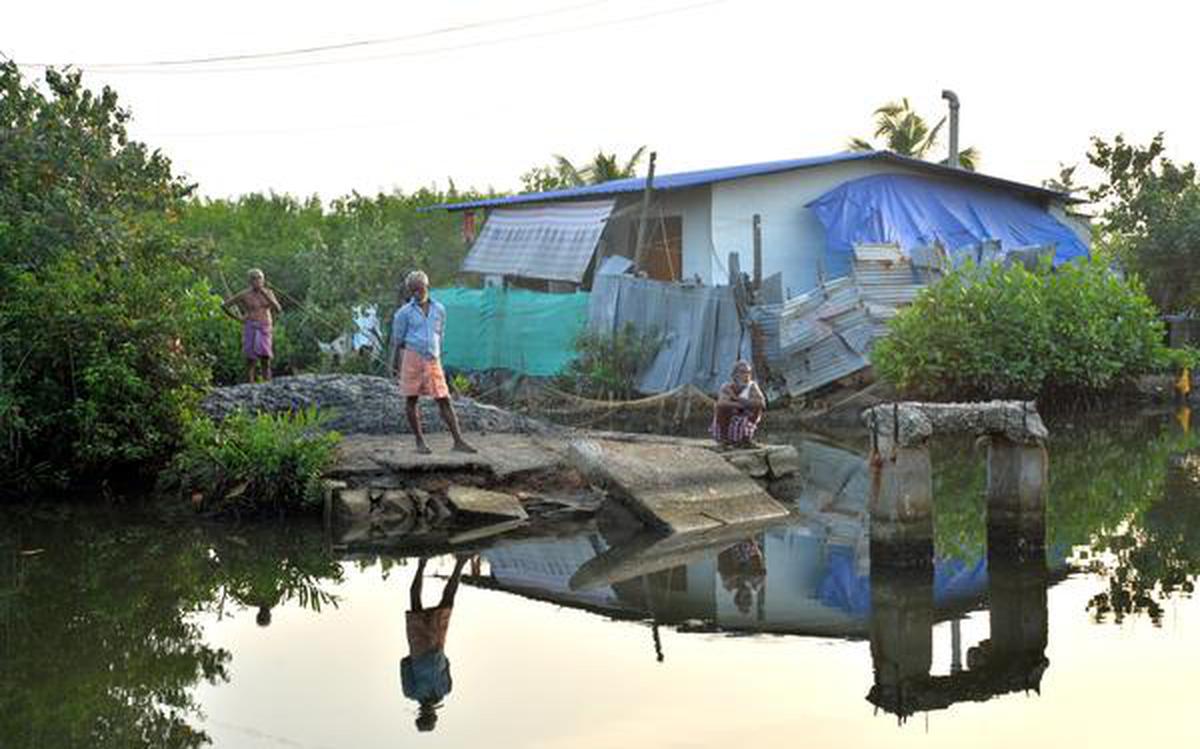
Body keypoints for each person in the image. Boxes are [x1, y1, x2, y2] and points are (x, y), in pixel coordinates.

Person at [390, 270, 476, 454]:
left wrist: (434, 352)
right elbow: (398, 340)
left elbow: (440, 334)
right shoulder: (403, 313)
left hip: (433, 358)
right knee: (412, 399)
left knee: (444, 398)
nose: (416, 293)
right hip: (413, 357)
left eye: (419, 289)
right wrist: (397, 366)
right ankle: (420, 442)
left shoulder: (439, 309)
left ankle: (458, 441)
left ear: (427, 287)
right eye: (412, 290)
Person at [401, 555, 471, 733]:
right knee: (447, 603)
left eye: (424, 715)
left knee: (415, 603)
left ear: (419, 714)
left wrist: (419, 656)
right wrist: (435, 654)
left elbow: (404, 664)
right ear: (434, 714)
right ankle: (461, 562)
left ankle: (422, 564)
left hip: (420, 648)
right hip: (437, 646)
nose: (427, 711)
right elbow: (447, 665)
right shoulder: (445, 689)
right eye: (429, 715)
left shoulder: (412, 692)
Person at [222, 268, 282, 383]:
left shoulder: (268, 293)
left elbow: (278, 309)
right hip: (251, 326)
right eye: (254, 278)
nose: (257, 281)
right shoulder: (244, 294)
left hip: (265, 327)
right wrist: (238, 319)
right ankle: (250, 384)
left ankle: (267, 382)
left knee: (266, 357)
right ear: (249, 281)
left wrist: (264, 293)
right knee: (250, 358)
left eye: (259, 278)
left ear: (263, 280)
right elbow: (225, 306)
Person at [711, 360, 766, 448]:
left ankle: (746, 439)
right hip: (730, 419)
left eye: (748, 372)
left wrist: (736, 399)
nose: (746, 375)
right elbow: (721, 404)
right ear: (735, 374)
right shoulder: (727, 387)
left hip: (745, 418)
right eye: (743, 372)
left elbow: (762, 403)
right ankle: (724, 440)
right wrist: (740, 405)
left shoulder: (752, 386)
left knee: (757, 408)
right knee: (721, 409)